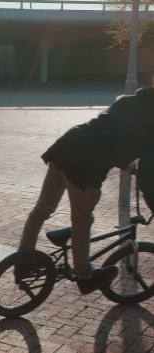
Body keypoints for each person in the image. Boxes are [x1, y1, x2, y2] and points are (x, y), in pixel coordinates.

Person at [18, 86, 154, 295]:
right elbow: (147, 173)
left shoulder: (125, 101)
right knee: (82, 221)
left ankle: (23, 261)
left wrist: (124, 162)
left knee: (41, 210)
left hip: (67, 145)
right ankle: (84, 275)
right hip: (86, 165)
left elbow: (109, 132)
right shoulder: (150, 125)